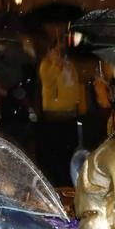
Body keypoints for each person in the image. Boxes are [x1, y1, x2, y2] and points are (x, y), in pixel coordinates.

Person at [37, 41, 86, 184]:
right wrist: (56, 63)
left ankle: (67, 182)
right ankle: (56, 183)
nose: (58, 53)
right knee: (55, 156)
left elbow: (75, 85)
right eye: (55, 50)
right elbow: (48, 80)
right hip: (54, 116)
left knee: (68, 154)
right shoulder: (46, 65)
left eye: (60, 50)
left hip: (70, 115)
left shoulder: (69, 64)